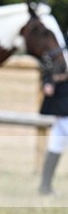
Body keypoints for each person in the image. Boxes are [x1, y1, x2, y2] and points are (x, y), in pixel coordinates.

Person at [38, 63, 68, 195]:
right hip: (60, 110)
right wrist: (48, 83)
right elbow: (48, 72)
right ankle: (45, 186)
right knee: (54, 147)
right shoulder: (59, 52)